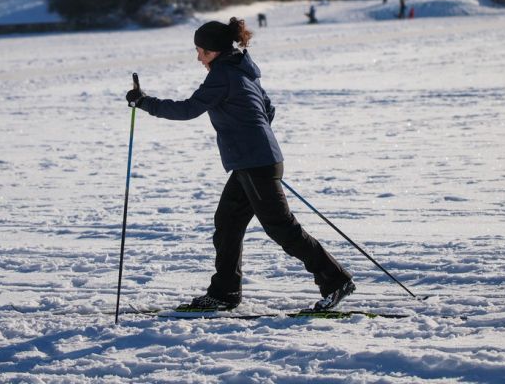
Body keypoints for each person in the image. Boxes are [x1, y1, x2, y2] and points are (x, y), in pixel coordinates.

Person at [124, 18, 355, 311]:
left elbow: (188, 109)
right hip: (255, 161)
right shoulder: (243, 70)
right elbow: (268, 109)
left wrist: (144, 102)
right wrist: (252, 137)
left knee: (281, 228)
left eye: (202, 51)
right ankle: (224, 293)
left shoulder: (223, 75)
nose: (199, 57)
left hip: (254, 163)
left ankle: (335, 280)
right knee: (227, 224)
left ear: (216, 51)